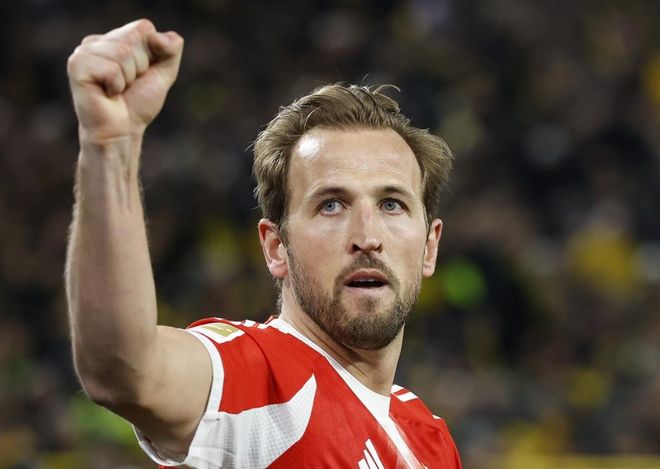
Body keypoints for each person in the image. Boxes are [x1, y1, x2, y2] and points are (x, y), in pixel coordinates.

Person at [65, 18, 461, 469]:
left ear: (429, 246)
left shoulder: (431, 438)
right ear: (276, 247)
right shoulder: (258, 376)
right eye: (331, 206)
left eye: (392, 204)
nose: (367, 238)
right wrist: (110, 145)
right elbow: (125, 369)